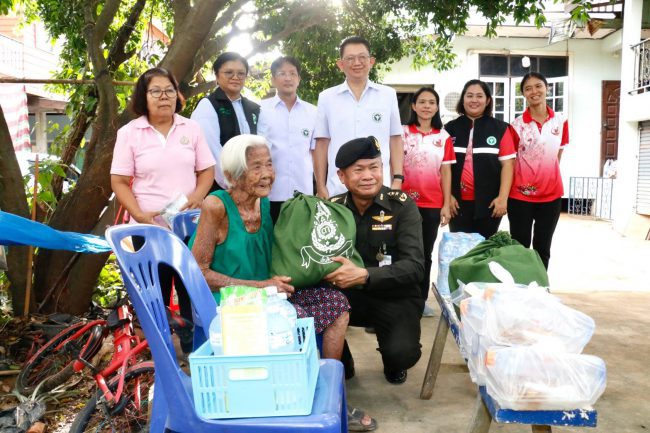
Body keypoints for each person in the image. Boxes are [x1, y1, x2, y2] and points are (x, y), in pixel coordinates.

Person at [189, 134, 376, 431]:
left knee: (337, 305)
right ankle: (292, 397)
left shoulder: (262, 202)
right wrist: (262, 287)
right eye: (256, 167)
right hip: (231, 303)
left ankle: (331, 395)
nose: (267, 174)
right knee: (292, 322)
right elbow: (198, 272)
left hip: (269, 294)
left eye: (269, 164)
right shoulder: (216, 206)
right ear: (233, 175)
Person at [110, 67, 216, 351]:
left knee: (191, 287)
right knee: (156, 292)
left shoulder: (190, 128)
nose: (164, 96)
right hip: (149, 229)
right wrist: (139, 214)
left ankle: (195, 349)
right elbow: (119, 181)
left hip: (188, 226)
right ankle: (161, 352)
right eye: (155, 91)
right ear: (143, 97)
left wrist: (197, 197)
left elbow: (207, 170)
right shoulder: (130, 133)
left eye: (169, 90)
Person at [327, 136, 424, 386]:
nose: (368, 176)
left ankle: (392, 360)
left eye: (374, 167)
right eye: (358, 170)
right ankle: (341, 361)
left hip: (395, 294)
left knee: (402, 353)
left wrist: (365, 275)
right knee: (311, 301)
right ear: (342, 176)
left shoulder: (402, 207)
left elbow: (415, 266)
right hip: (350, 295)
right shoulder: (333, 209)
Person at [313, 36, 404, 198]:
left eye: (362, 57)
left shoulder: (388, 95)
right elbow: (321, 144)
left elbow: (395, 139)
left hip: (379, 186)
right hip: (338, 186)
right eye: (350, 58)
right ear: (341, 64)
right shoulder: (327, 97)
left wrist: (397, 180)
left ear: (371, 61)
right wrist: (321, 186)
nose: (357, 63)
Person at [402, 87, 456, 316]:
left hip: (432, 204)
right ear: (414, 106)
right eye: (422, 102)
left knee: (425, 254)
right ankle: (401, 298)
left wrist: (446, 204)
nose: (427, 106)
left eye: (431, 102)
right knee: (403, 252)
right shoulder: (402, 133)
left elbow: (446, 172)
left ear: (436, 107)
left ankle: (420, 300)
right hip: (404, 203)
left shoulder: (443, 137)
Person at [508, 72, 568, 269]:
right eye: (528, 88)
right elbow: (511, 161)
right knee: (519, 248)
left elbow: (557, 155)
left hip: (551, 196)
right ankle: (519, 285)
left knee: (543, 248)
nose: (534, 91)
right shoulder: (516, 125)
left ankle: (540, 285)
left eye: (538, 86)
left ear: (547, 88)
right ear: (523, 94)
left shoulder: (561, 121)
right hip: (520, 197)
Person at [444, 79, 516, 239]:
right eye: (469, 96)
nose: (474, 100)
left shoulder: (501, 128)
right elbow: (442, 167)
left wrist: (502, 198)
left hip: (490, 204)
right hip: (456, 204)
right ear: (463, 99)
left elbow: (508, 165)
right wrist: (447, 196)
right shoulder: (449, 128)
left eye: (479, 96)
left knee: (484, 249)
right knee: (460, 248)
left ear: (487, 100)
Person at [257, 56, 316, 223]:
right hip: (269, 193)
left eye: (292, 73)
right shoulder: (261, 110)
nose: (288, 78)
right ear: (273, 80)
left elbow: (316, 152)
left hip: (303, 193)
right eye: (282, 73)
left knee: (301, 236)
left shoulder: (313, 112)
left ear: (299, 79)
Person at [191, 52, 260, 191]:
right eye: (229, 72)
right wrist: (232, 183)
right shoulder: (208, 105)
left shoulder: (253, 108)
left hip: (249, 185)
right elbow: (211, 151)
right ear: (217, 76)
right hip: (221, 188)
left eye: (241, 73)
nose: (235, 77)